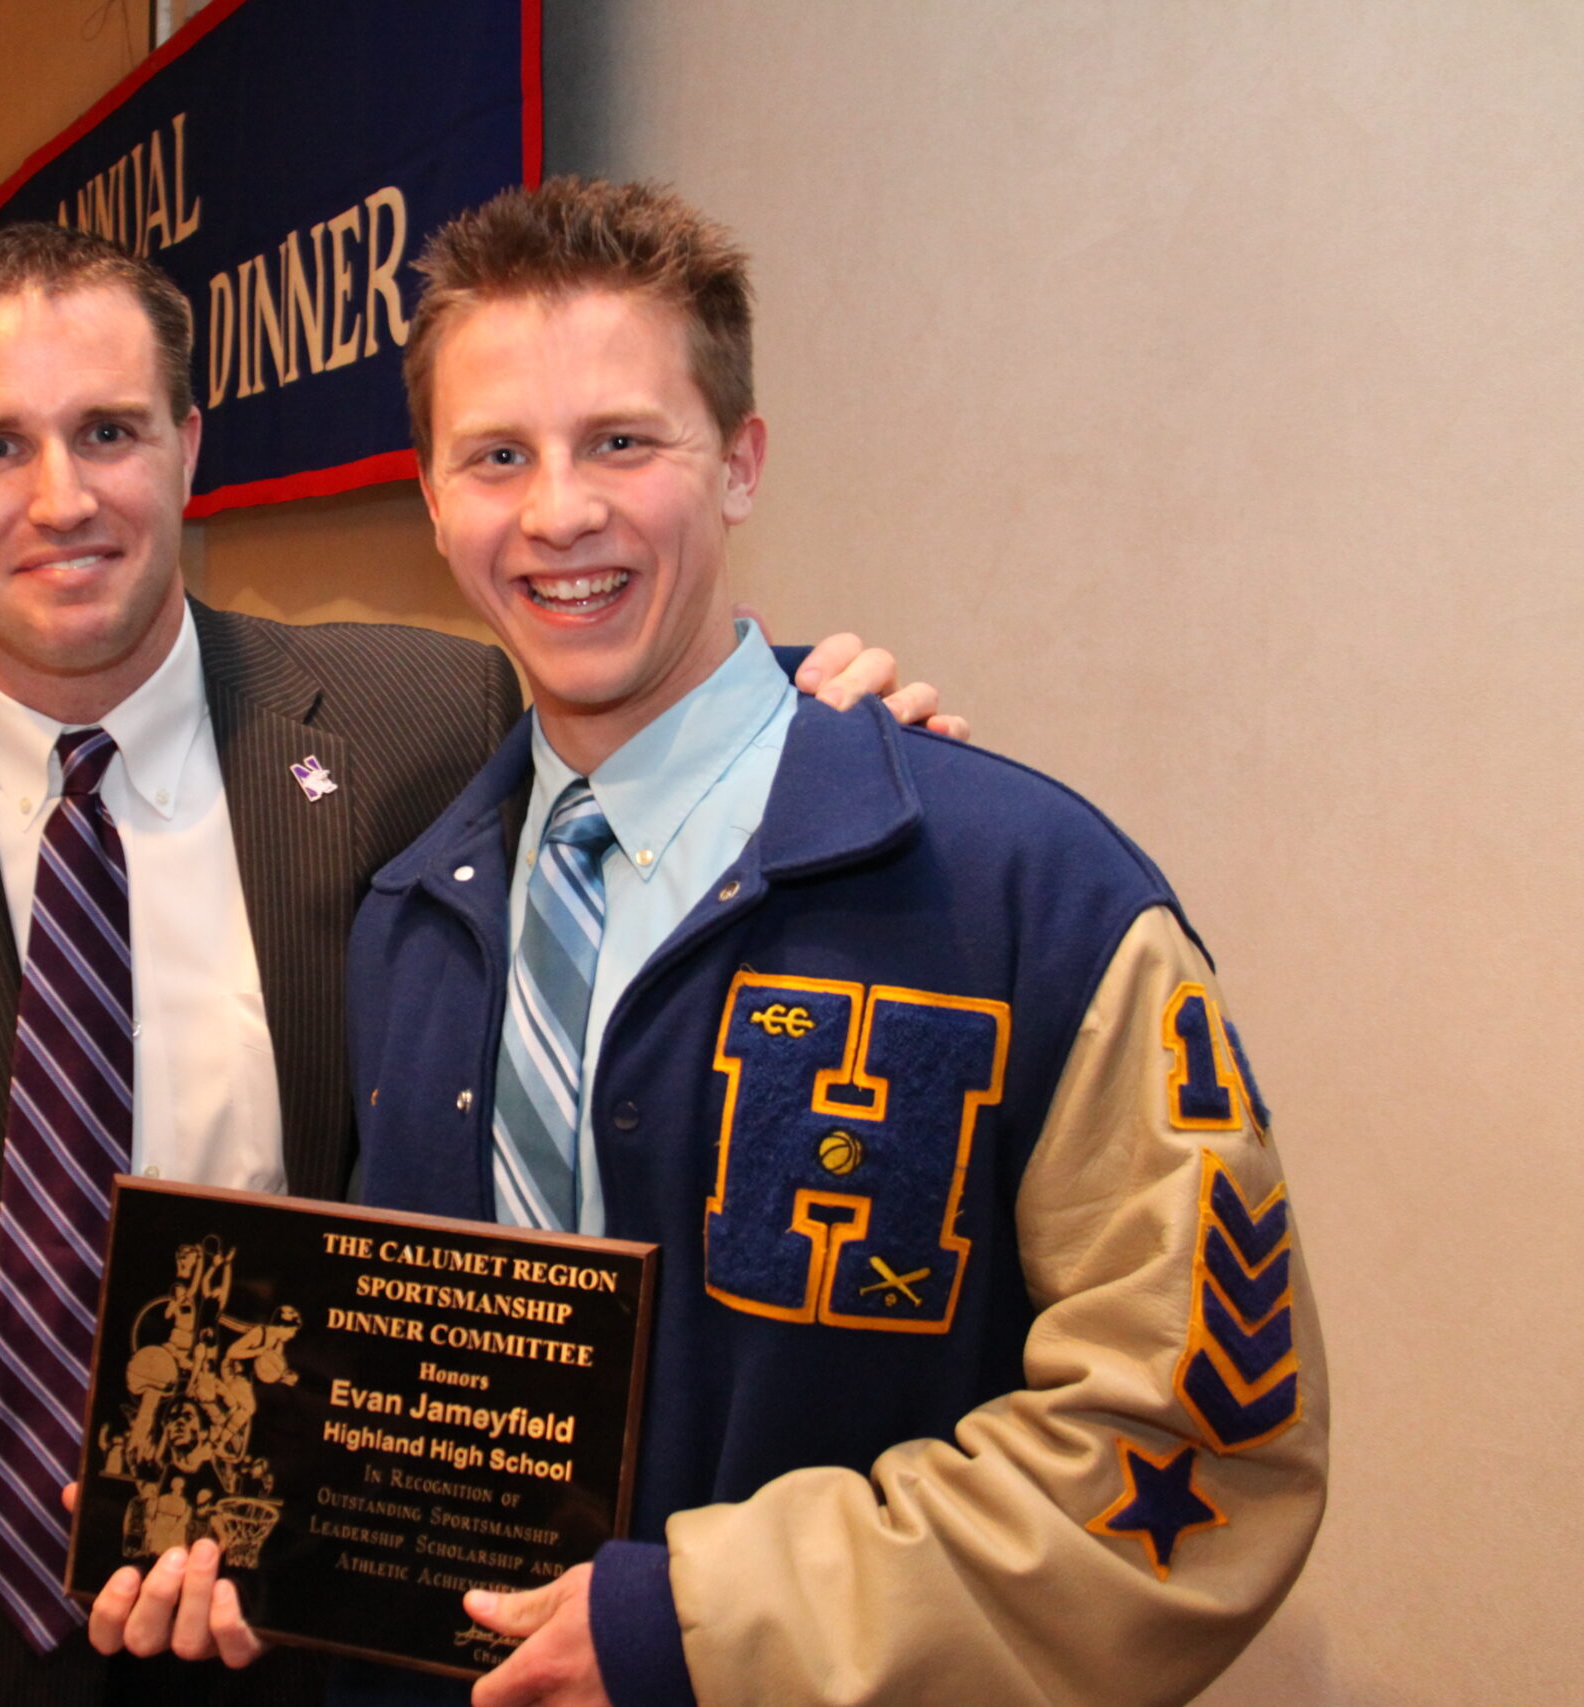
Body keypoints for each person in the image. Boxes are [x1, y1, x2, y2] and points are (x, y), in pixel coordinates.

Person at [0, 222, 946, 1707]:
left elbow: (646, 751)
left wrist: (816, 721)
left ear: (188, 448)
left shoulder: (426, 720)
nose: (62, 498)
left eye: (110, 431)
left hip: (344, 1628)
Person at [315, 181, 1321, 1706]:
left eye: (623, 441)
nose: (559, 510)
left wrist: (704, 1624)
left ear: (741, 462)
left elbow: (1199, 1443)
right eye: (497, 454)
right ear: (433, 497)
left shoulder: (1023, 893)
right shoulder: (412, 919)